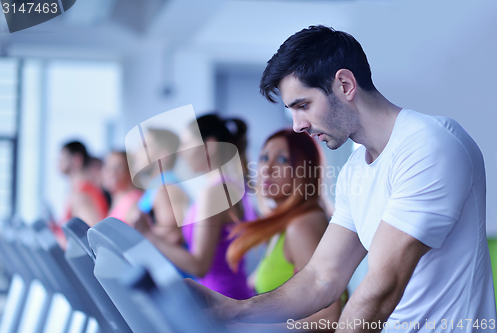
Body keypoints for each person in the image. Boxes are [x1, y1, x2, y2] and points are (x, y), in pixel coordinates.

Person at [185, 26, 497, 332]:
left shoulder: (427, 146)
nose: (297, 126)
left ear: (345, 85)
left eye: (303, 106)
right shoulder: (354, 170)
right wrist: (235, 310)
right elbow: (321, 278)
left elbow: (382, 288)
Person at [226, 129, 341, 331]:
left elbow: (329, 317)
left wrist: (251, 326)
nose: (267, 169)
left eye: (282, 159)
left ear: (304, 169)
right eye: (263, 157)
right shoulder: (285, 222)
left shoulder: (302, 224)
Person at [136, 114, 255, 300]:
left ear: (210, 146)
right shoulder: (227, 186)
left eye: (186, 144)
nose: (181, 152)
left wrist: (148, 234)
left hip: (222, 300)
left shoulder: (216, 192)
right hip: (225, 295)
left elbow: (198, 266)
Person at [128, 128, 189, 245]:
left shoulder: (166, 188)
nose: (136, 153)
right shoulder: (158, 186)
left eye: (144, 147)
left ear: (163, 155)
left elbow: (173, 235)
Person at [54, 141, 109, 246]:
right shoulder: (76, 190)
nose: (58, 162)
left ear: (76, 160)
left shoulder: (83, 193)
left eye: (62, 158)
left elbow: (91, 240)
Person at [102, 151, 143, 224]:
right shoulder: (118, 198)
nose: (111, 172)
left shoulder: (133, 202)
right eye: (108, 166)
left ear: (130, 172)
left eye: (119, 167)